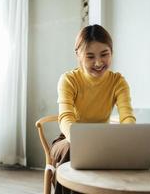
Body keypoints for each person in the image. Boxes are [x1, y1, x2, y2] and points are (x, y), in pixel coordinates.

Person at [50, 24, 136, 194]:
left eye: (104, 54)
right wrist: (82, 142)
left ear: (112, 52)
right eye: (90, 57)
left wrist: (129, 139)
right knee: (72, 149)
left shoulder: (118, 82)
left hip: (102, 141)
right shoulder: (68, 80)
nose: (98, 63)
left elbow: (127, 117)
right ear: (78, 55)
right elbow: (66, 118)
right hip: (68, 140)